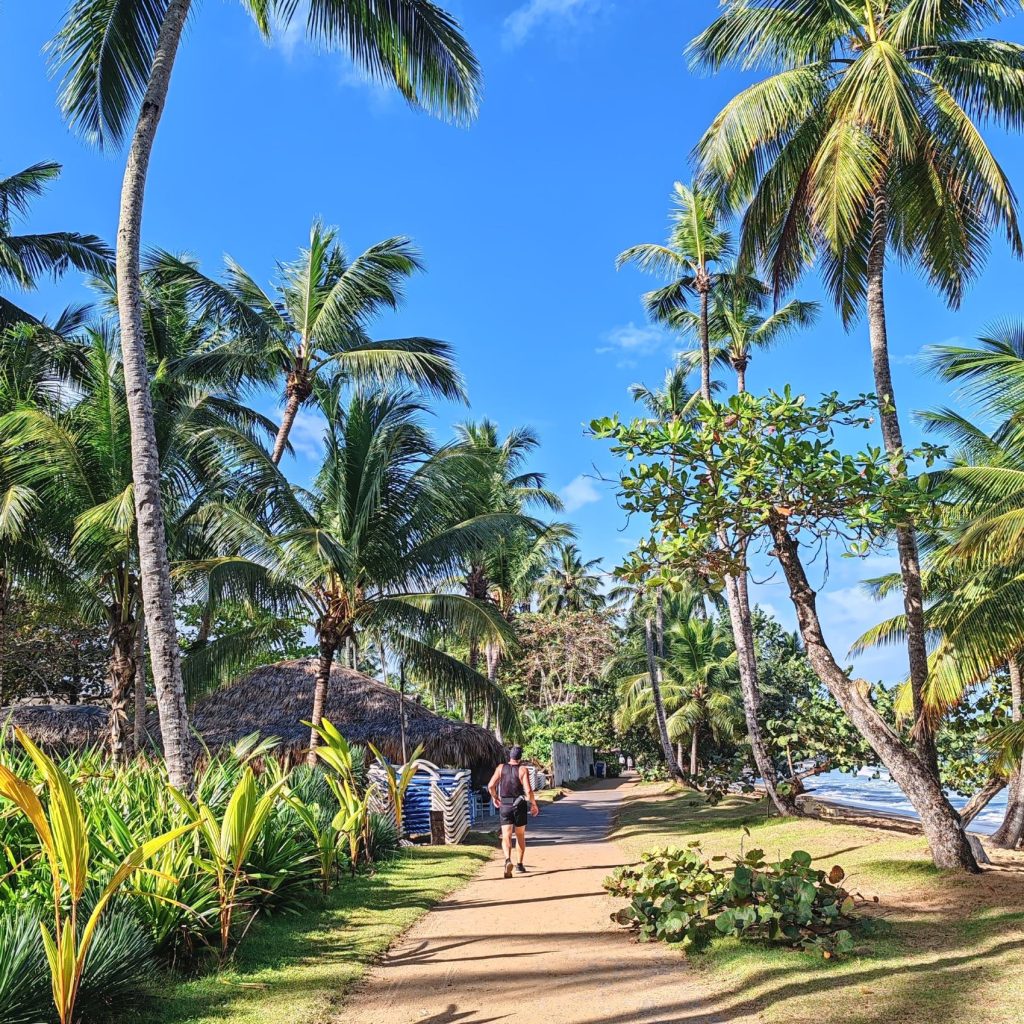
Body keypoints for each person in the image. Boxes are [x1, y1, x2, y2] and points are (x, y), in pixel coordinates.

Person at [487, 745, 539, 878]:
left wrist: (495, 797)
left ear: (510, 756)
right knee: (520, 835)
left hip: (505, 804)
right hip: (519, 804)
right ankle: (520, 865)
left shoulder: (500, 768)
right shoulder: (523, 770)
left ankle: (507, 860)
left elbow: (491, 785)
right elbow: (528, 790)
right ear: (520, 757)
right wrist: (533, 804)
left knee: (506, 835)